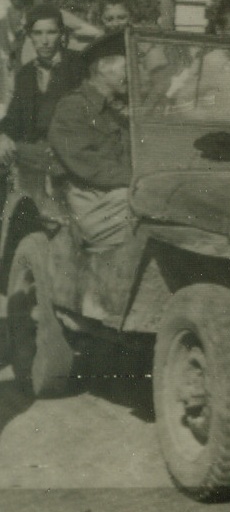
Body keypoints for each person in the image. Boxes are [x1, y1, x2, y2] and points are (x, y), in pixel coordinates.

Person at [48, 34, 133, 318]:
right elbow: (88, 166)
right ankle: (108, 304)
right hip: (89, 203)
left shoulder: (120, 110)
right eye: (126, 68)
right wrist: (138, 179)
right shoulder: (73, 107)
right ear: (102, 68)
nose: (131, 76)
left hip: (114, 198)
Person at [0, 5, 84, 166]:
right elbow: (14, 118)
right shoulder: (25, 74)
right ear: (30, 35)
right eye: (37, 33)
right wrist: (3, 135)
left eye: (51, 32)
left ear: (61, 33)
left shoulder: (79, 65)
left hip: (71, 155)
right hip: (34, 155)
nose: (44, 41)